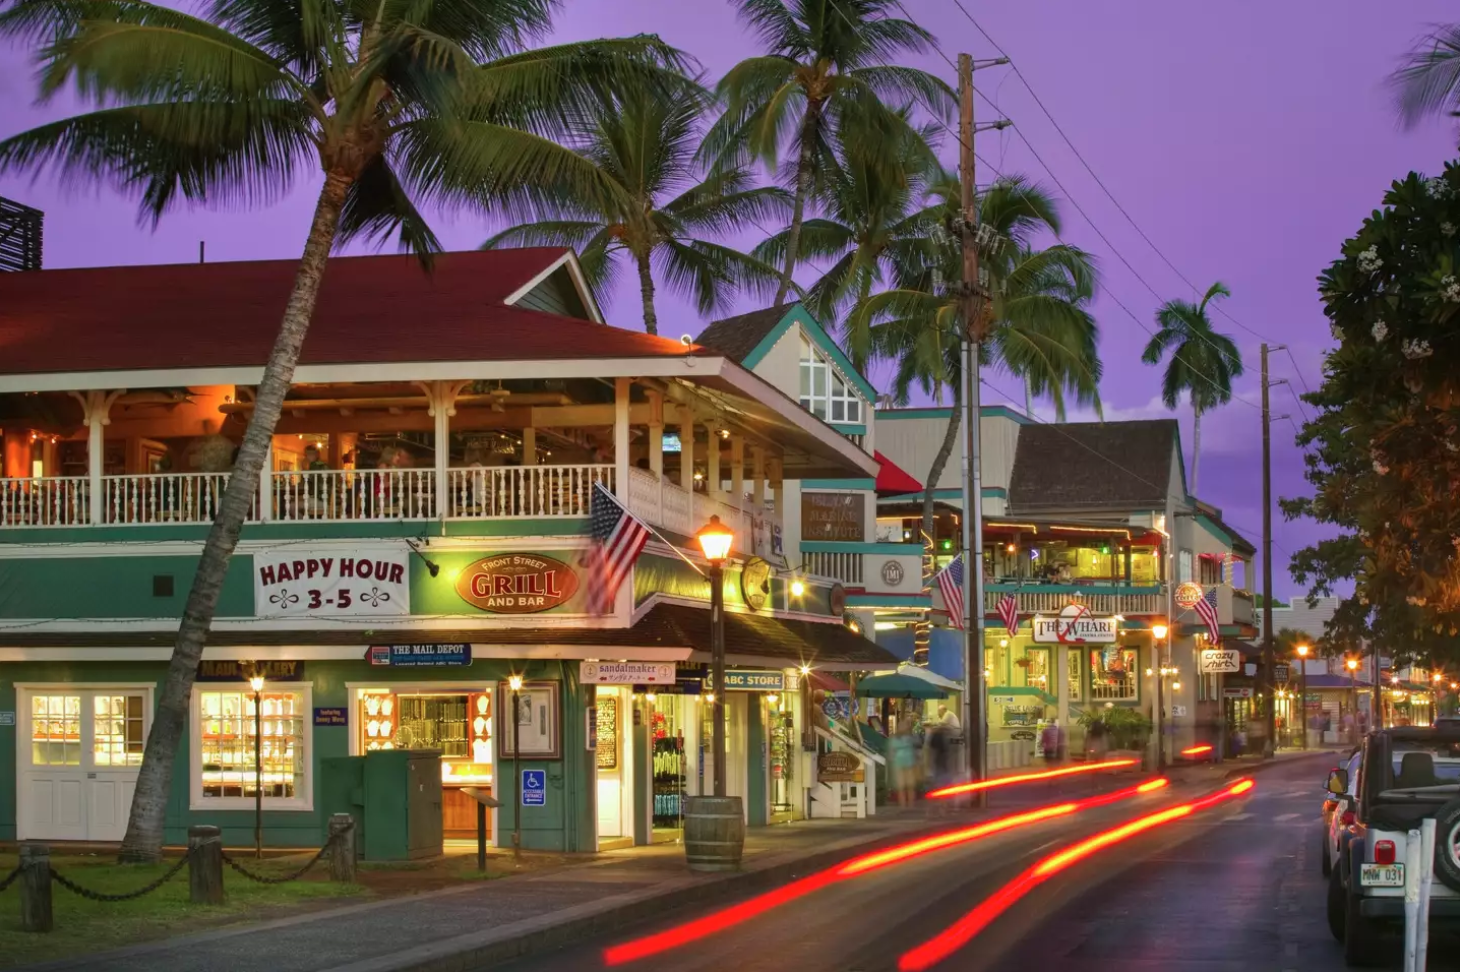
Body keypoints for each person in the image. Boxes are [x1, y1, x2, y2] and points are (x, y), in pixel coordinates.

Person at [889, 725, 920, 807]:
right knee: (908, 785)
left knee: (903, 786)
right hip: (907, 763)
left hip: (901, 763)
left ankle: (905, 804)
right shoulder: (910, 738)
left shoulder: (895, 739)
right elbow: (917, 745)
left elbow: (892, 751)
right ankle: (909, 803)